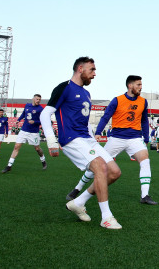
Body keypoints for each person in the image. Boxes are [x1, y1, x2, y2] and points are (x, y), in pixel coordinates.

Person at [40, 56, 123, 229]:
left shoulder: (86, 93)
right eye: (92, 70)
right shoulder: (64, 87)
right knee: (100, 167)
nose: (94, 74)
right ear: (80, 69)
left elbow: (84, 121)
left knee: (114, 172)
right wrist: (51, 141)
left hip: (87, 139)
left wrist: (93, 139)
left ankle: (78, 202)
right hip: (71, 139)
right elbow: (45, 114)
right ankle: (106, 217)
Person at [66, 75, 157, 205]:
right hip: (116, 138)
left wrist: (146, 137)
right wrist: (98, 133)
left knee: (145, 160)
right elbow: (106, 117)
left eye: (141, 85)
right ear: (130, 85)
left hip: (135, 138)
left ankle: (145, 195)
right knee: (99, 164)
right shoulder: (117, 100)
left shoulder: (143, 101)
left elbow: (144, 120)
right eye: (138, 85)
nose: (141, 87)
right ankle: (77, 188)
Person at [2, 94, 46, 173]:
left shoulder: (40, 109)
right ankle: (9, 166)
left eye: (39, 99)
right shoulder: (27, 105)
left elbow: (43, 120)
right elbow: (23, 114)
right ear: (33, 99)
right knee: (16, 147)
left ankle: (43, 160)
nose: (38, 101)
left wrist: (35, 122)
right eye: (37, 99)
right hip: (24, 130)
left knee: (37, 149)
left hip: (34, 132)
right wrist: (19, 119)